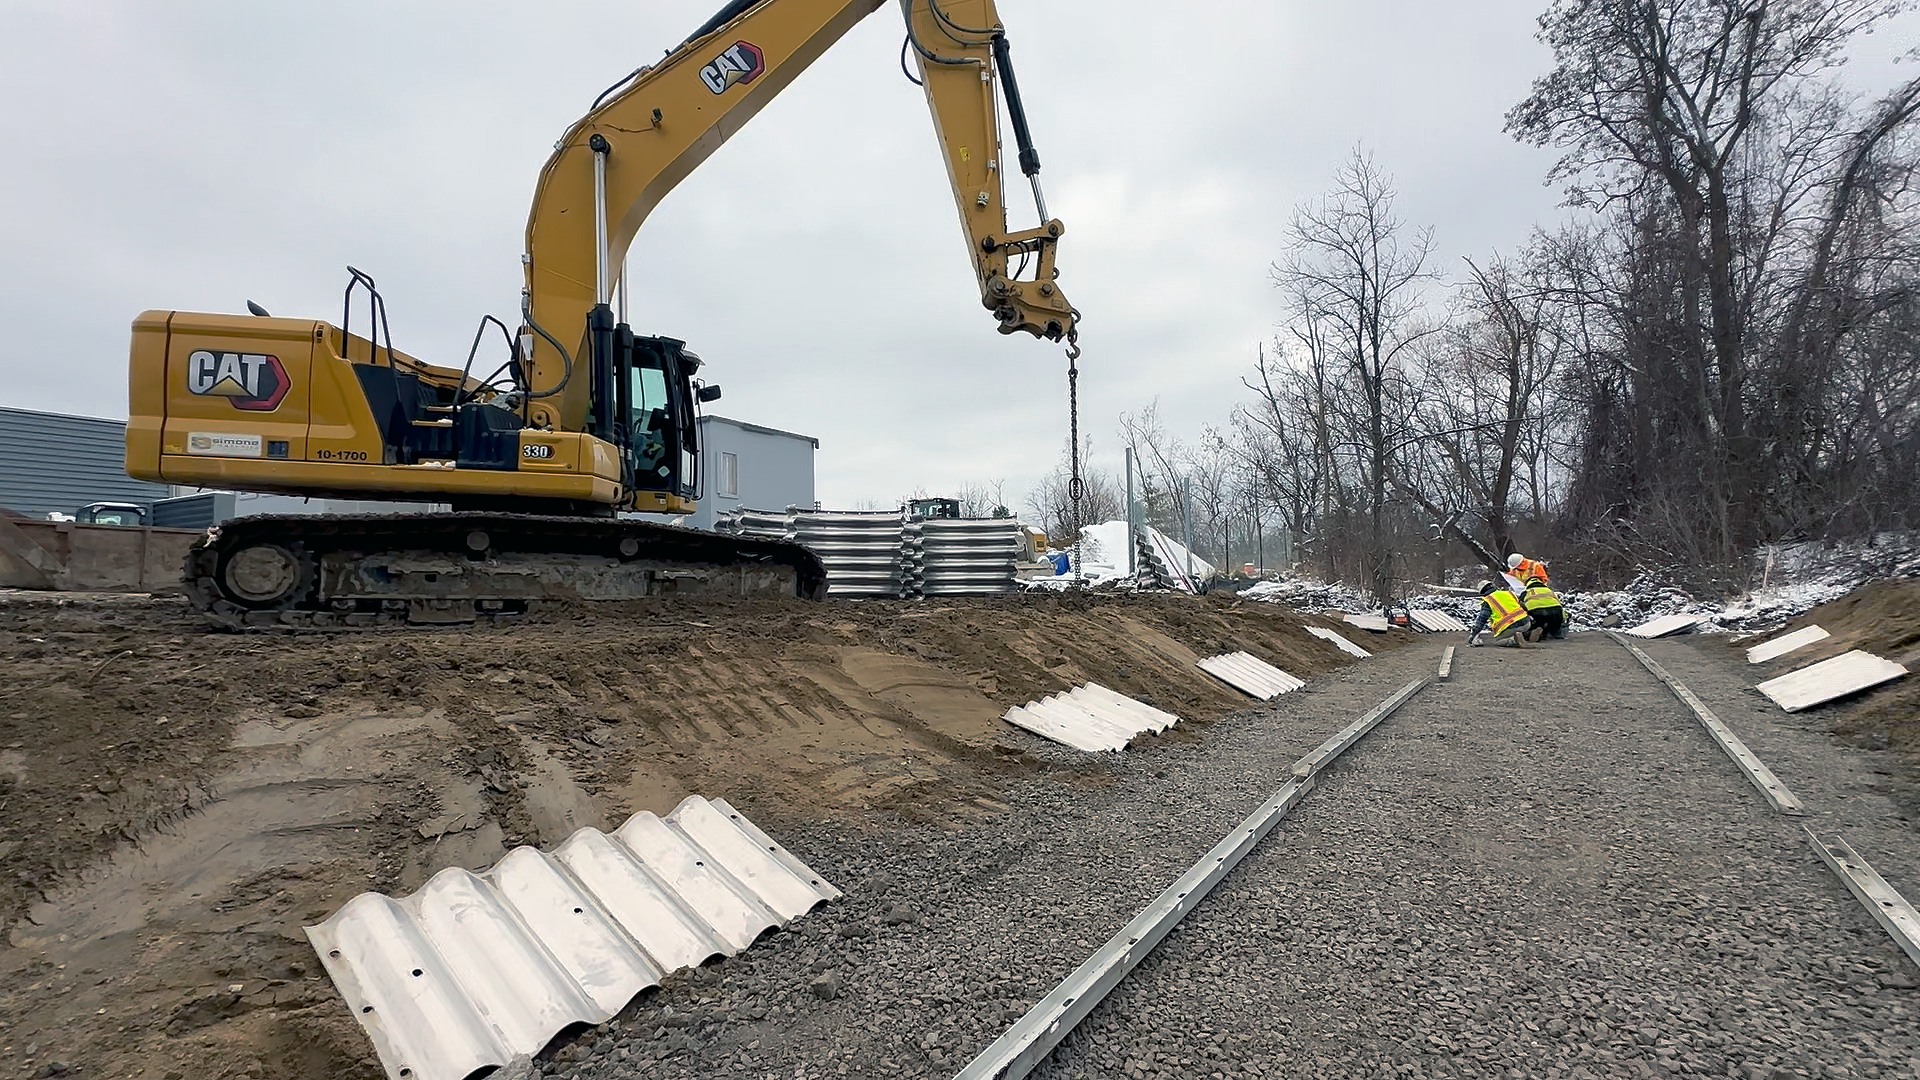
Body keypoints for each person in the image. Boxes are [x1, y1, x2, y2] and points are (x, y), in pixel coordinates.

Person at [1469, 580, 1532, 647]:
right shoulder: (1509, 593)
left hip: (1509, 627)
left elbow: (1481, 621)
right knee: (1522, 629)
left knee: (1498, 641)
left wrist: (1473, 636)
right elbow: (1524, 607)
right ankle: (1526, 634)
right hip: (1526, 624)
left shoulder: (1488, 600)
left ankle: (1513, 640)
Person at [1520, 576, 1567, 641]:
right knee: (1554, 624)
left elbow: (1520, 607)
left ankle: (1534, 632)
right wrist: (1563, 619)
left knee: (1535, 624)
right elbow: (1559, 605)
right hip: (1556, 612)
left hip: (1537, 613)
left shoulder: (1527, 592)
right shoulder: (1549, 591)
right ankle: (1555, 633)